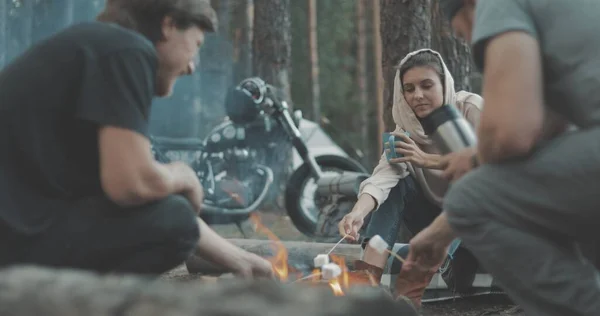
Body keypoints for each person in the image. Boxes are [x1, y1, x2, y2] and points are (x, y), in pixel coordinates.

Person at [0, 0, 273, 278]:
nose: (192, 66)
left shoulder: (99, 48)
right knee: (173, 221)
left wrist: (241, 260)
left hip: (18, 231)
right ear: (168, 25)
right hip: (13, 241)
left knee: (172, 216)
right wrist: (184, 176)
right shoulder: (127, 49)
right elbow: (132, 184)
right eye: (197, 45)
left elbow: (132, 192)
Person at [405, 0, 600, 315]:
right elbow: (545, 130)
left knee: (468, 200)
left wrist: (475, 158)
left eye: (461, 33)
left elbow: (511, 134)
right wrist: (440, 233)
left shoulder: (497, 5)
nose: (470, 42)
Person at [337, 49, 483, 293]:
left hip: (479, 226)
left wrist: (428, 159)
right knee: (396, 185)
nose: (418, 95)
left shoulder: (470, 109)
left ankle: (448, 255)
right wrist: (357, 213)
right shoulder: (404, 131)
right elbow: (382, 178)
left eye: (427, 85)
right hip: (432, 226)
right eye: (409, 88)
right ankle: (366, 283)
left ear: (443, 83)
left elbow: (497, 168)